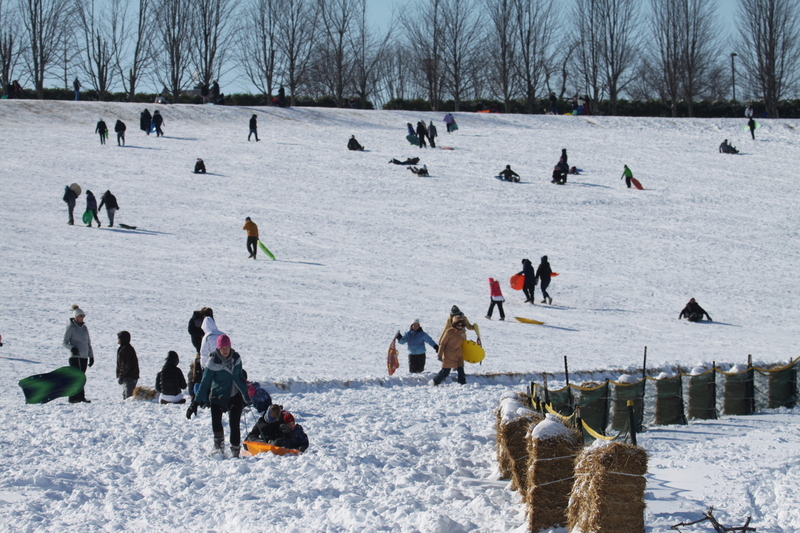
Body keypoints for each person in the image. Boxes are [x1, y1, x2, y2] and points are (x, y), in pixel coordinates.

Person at [193, 335, 251, 457]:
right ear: (218, 348)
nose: (225, 350)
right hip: (218, 395)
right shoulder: (213, 362)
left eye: (227, 347)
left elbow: (240, 377)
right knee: (217, 422)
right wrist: (195, 402)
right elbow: (205, 383)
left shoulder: (236, 358)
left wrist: (246, 394)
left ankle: (235, 450)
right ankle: (219, 448)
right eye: (222, 347)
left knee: (234, 424)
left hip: (234, 395)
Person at [62, 305, 94, 403]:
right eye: (80, 316)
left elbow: (88, 343)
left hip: (84, 356)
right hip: (75, 356)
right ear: (75, 317)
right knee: (77, 377)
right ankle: (73, 397)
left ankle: (80, 397)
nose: (82, 318)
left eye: (83, 316)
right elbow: (65, 342)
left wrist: (91, 356)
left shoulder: (84, 328)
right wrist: (72, 348)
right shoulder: (71, 327)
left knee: (82, 377)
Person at [431, 317, 467, 386]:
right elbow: (443, 343)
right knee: (445, 372)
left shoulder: (463, 332)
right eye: (458, 325)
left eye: (461, 325)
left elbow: (464, 343)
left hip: (458, 354)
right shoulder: (449, 332)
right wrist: (440, 354)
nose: (459, 327)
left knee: (461, 370)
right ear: (454, 324)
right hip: (449, 355)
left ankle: (463, 383)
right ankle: (435, 381)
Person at [116, 330, 139, 400]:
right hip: (130, 376)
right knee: (127, 396)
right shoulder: (126, 348)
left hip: (129, 377)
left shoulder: (126, 349)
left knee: (128, 398)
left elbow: (125, 365)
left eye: (119, 338)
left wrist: (121, 376)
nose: (118, 340)